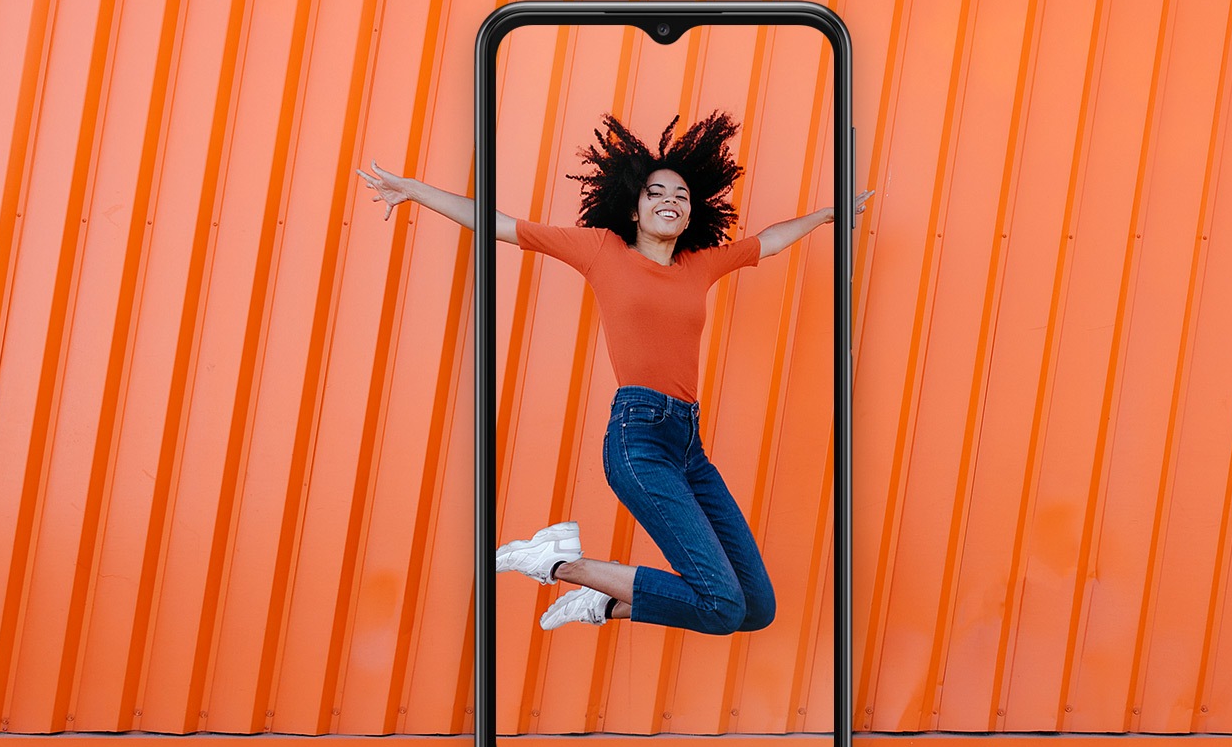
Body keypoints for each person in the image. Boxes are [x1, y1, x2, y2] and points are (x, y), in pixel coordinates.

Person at [357, 111, 870, 634]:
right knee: (720, 607)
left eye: (681, 196)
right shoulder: (602, 250)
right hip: (638, 438)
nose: (670, 200)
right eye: (656, 193)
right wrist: (416, 191)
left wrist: (825, 215)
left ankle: (602, 603)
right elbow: (500, 224)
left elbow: (771, 239)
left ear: (693, 213)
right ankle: (562, 564)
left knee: (755, 610)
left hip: (687, 445)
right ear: (634, 206)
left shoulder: (700, 264)